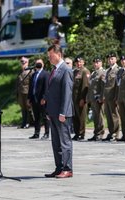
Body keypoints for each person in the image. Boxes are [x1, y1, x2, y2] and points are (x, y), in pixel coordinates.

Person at [44, 44, 74, 178]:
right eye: (48, 56)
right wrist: (48, 111)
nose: (49, 58)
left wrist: (63, 112)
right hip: (53, 112)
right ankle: (59, 167)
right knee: (55, 142)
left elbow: (67, 93)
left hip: (62, 113)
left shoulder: (66, 70)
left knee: (65, 142)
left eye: (51, 55)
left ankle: (67, 168)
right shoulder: (54, 70)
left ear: (59, 54)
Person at [28, 59, 50, 140]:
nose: (38, 64)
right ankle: (36, 133)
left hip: (42, 99)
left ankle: (47, 133)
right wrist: (29, 98)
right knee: (36, 117)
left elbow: (46, 87)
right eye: (37, 63)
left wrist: (44, 98)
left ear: (43, 64)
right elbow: (31, 87)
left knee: (44, 116)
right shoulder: (33, 74)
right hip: (34, 99)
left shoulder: (45, 74)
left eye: (40, 63)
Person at [102, 52, 120, 141]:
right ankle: (111, 132)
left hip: (113, 96)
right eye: (109, 59)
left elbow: (117, 85)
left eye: (112, 59)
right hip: (107, 96)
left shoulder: (118, 70)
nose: (110, 60)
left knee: (114, 115)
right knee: (108, 116)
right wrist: (103, 96)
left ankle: (116, 134)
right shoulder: (108, 70)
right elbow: (105, 85)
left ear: (116, 60)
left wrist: (116, 97)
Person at [87, 57, 106, 141]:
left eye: (97, 62)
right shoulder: (94, 73)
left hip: (98, 98)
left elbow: (103, 87)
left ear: (101, 63)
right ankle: (96, 133)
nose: (95, 64)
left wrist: (101, 97)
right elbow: (90, 87)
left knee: (100, 117)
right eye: (94, 63)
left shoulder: (102, 72)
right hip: (93, 98)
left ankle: (100, 133)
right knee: (95, 117)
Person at [72, 56, 90, 141]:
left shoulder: (85, 71)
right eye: (77, 62)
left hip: (81, 98)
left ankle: (81, 133)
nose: (79, 64)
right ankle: (76, 133)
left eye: (80, 62)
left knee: (81, 117)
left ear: (83, 62)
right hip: (74, 98)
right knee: (75, 117)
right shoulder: (75, 71)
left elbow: (85, 86)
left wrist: (83, 98)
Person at [16, 57, 35, 129]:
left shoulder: (30, 71)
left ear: (28, 62)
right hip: (20, 93)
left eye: (25, 61)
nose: (23, 63)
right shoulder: (19, 71)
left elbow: (32, 83)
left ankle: (29, 122)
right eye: (21, 61)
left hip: (27, 92)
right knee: (23, 108)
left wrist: (31, 94)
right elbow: (17, 83)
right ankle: (23, 122)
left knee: (28, 108)